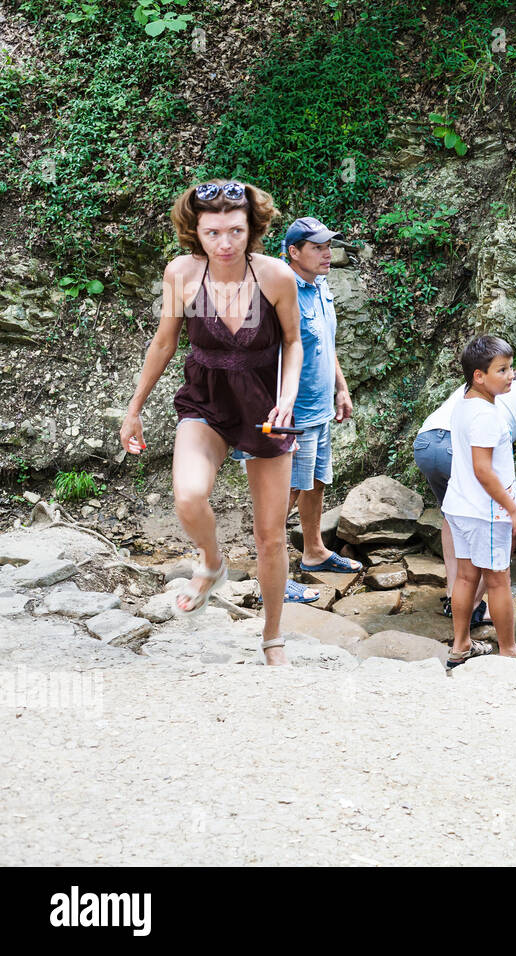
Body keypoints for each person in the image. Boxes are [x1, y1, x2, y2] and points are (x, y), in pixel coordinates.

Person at [119, 180, 304, 666]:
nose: (225, 243)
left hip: (265, 406)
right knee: (188, 494)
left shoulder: (276, 276)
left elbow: (293, 342)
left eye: (236, 231)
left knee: (270, 537)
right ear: (195, 232)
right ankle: (211, 562)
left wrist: (287, 399)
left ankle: (272, 636)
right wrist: (135, 406)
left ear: (253, 229)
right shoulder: (182, 274)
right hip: (205, 399)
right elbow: (164, 342)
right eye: (213, 232)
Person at [413, 367, 516, 627]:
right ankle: (474, 605)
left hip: (426, 444)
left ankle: (455, 598)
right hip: (459, 451)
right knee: (506, 522)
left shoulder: (481, 386)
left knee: (453, 516)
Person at [441, 336, 516, 667]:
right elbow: (484, 471)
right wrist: (514, 509)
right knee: (498, 581)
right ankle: (509, 650)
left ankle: (461, 646)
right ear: (479, 376)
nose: (511, 375)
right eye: (502, 369)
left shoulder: (463, 405)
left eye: (511, 367)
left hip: (460, 506)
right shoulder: (487, 416)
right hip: (487, 512)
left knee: (465, 578)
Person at [280, 216, 357, 603]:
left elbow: (326, 344)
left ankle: (313, 552)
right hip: (294, 416)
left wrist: (341, 389)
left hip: (321, 407)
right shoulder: (281, 293)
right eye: (318, 247)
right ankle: (272, 579)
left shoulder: (320, 286)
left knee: (317, 480)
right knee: (286, 491)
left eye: (329, 246)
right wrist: (281, 412)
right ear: (294, 252)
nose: (329, 253)